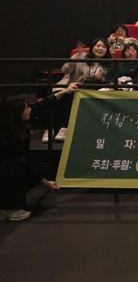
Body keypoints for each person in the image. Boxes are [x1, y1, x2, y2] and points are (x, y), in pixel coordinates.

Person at [0, 82, 79, 221]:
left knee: (39, 168)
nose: (30, 110)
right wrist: (47, 184)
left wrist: (66, 91)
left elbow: (42, 104)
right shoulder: (6, 137)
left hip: (16, 165)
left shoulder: (17, 122)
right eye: (26, 108)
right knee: (18, 165)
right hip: (7, 170)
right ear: (17, 113)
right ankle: (9, 208)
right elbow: (23, 162)